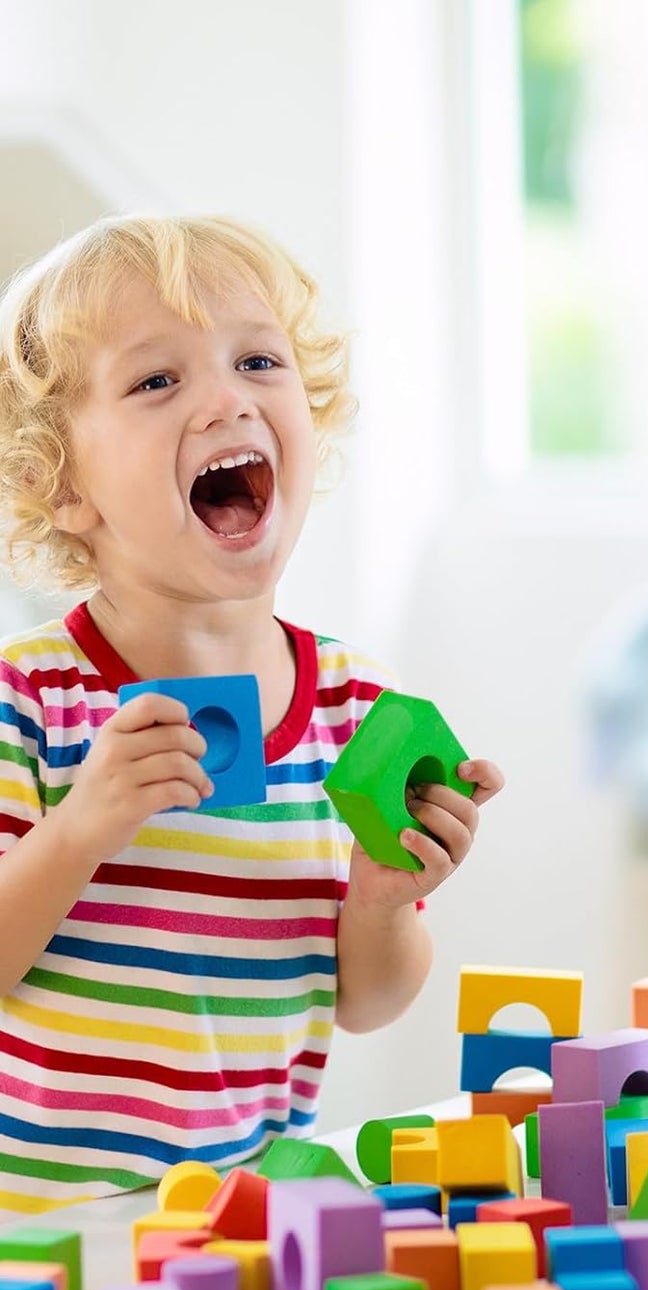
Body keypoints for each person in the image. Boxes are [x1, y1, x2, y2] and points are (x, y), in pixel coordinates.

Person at [0, 215, 503, 1213]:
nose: (227, 398)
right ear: (58, 484)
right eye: (157, 380)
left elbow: (365, 1002)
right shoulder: (30, 700)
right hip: (42, 1240)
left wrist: (380, 897)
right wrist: (81, 826)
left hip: (250, 1221)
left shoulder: (356, 709)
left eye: (258, 360)